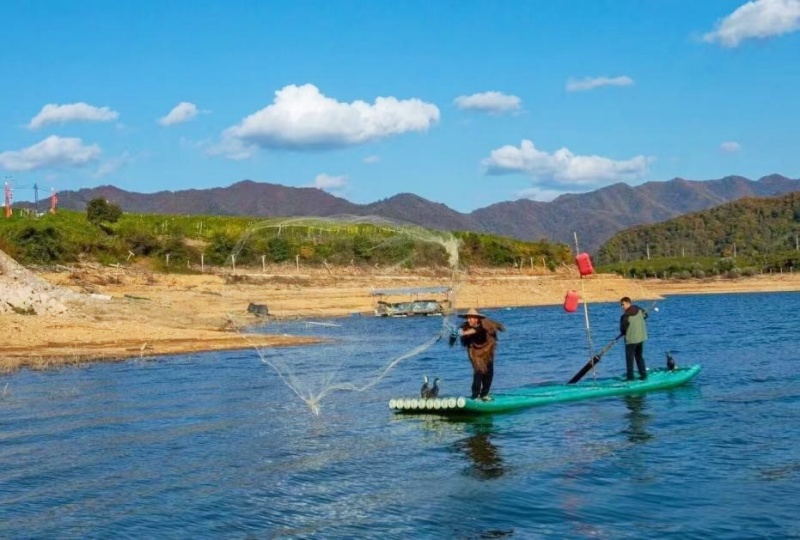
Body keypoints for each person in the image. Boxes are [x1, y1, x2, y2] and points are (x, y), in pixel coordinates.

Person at [455, 308, 505, 401]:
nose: (469, 320)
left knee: (489, 373)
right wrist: (455, 334)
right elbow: (459, 333)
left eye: (471, 318)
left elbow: (476, 330)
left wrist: (464, 333)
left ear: (476, 319)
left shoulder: (483, 325)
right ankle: (475, 396)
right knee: (478, 373)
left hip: (487, 350)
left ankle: (484, 394)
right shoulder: (465, 326)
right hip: (476, 354)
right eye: (468, 318)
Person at [619, 296, 648, 380]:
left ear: (628, 303)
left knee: (630, 360)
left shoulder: (625, 316)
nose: (622, 307)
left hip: (631, 340)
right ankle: (643, 375)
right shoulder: (639, 309)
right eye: (621, 305)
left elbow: (623, 330)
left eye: (622, 304)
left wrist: (623, 332)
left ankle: (630, 378)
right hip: (641, 338)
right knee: (639, 357)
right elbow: (645, 315)